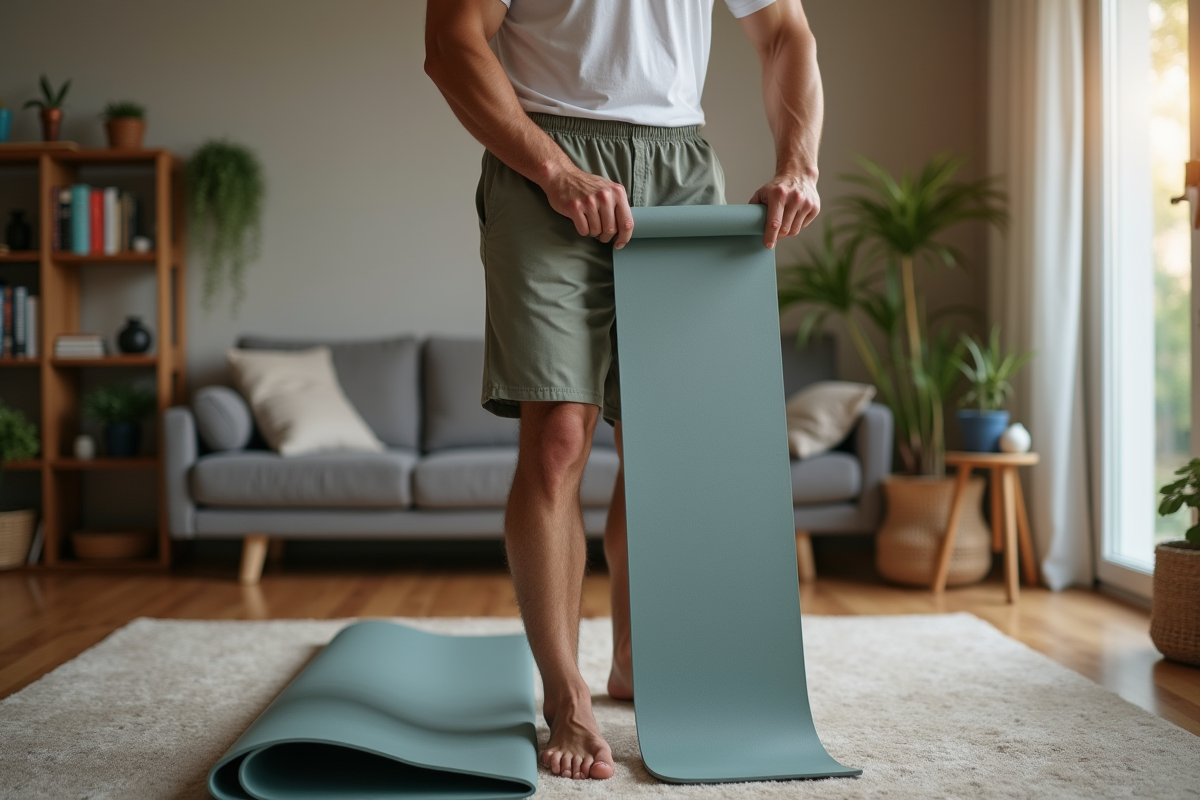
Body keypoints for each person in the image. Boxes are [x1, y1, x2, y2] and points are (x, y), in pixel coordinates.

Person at [424, 0, 823, 781]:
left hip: (678, 161)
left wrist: (799, 160)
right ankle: (565, 697)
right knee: (559, 438)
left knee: (663, 442)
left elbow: (784, 32)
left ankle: (642, 663)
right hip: (544, 152)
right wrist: (555, 169)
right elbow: (451, 44)